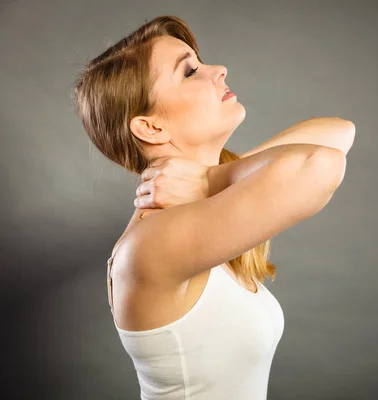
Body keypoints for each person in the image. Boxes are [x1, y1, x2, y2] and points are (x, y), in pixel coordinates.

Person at [73, 15, 354, 400]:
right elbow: (319, 164)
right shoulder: (154, 239)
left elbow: (341, 132)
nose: (218, 71)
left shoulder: (201, 207)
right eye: (190, 72)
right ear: (151, 128)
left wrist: (212, 177)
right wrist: (212, 179)